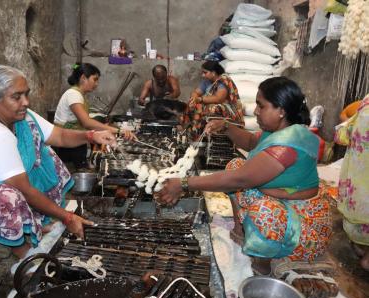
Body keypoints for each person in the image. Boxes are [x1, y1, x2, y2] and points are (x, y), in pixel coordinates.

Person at [158, 77, 332, 275]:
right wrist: (226, 126)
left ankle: (263, 265)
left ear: (281, 111)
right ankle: (242, 231)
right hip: (279, 197)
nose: (256, 111)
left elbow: (240, 179)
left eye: (261, 106)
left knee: (263, 211)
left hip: (303, 224)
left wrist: (184, 183)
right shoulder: (277, 130)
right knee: (236, 164)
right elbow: (250, 141)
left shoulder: (288, 145)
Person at [0, 65, 118, 258]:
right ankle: (22, 251)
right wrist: (67, 217)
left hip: (18, 201)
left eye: (26, 95)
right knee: (3, 195)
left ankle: (37, 220)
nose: (26, 102)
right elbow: (25, 190)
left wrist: (92, 136)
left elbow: (60, 136)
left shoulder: (22, 119)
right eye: (17, 97)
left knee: (44, 151)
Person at [54, 63, 135, 169]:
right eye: (95, 79)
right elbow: (86, 123)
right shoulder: (73, 94)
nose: (96, 84)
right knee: (71, 173)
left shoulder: (78, 94)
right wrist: (118, 130)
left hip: (72, 140)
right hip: (66, 144)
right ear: (83, 78)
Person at [335, 95, 369, 271]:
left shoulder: (366, 103)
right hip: (361, 181)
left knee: (359, 220)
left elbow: (342, 135)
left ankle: (360, 247)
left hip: (358, 182)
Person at [181, 60, 243, 140]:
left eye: (205, 72)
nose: (203, 75)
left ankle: (202, 135)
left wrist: (199, 99)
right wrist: (194, 98)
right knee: (191, 105)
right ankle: (191, 134)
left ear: (213, 73)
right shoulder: (206, 82)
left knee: (210, 108)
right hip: (209, 104)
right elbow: (196, 92)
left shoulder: (223, 81)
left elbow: (218, 99)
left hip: (225, 108)